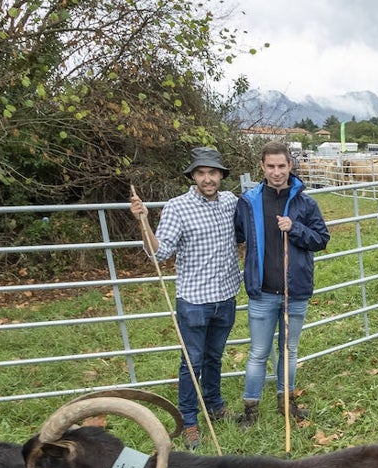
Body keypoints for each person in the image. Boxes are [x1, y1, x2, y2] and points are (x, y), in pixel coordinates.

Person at [130, 147, 240, 451]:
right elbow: (158, 252)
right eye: (202, 173)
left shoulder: (230, 202)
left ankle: (215, 404)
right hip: (194, 299)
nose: (208, 179)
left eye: (213, 173)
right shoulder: (178, 207)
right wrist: (144, 222)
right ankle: (190, 420)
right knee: (191, 362)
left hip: (226, 294)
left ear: (220, 176)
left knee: (214, 356)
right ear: (193, 176)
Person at [234, 140, 330, 427]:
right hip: (262, 292)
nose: (277, 172)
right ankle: (250, 410)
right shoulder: (248, 203)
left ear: (290, 166)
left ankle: (286, 402)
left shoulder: (305, 202)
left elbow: (321, 239)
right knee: (258, 353)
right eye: (271, 166)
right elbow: (239, 235)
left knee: (289, 351)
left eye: (282, 166)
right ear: (262, 167)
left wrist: (296, 228)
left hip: (294, 291)